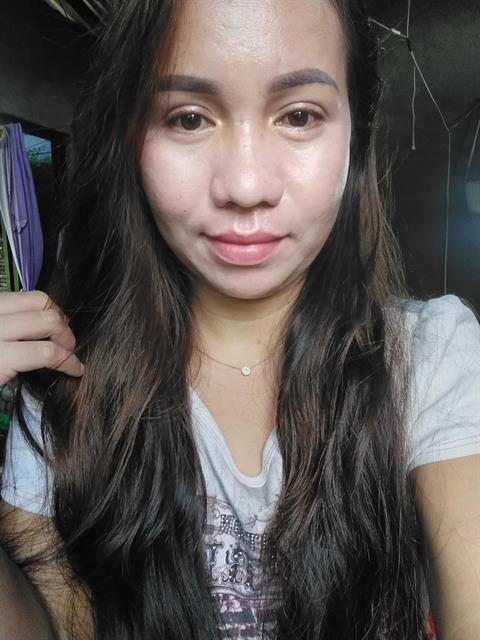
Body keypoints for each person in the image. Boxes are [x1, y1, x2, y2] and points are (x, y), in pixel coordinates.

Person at [0, 0, 479, 638]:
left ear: (355, 136)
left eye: (299, 115)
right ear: (133, 141)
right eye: (189, 118)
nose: (246, 186)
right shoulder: (65, 383)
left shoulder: (430, 358)